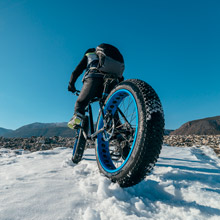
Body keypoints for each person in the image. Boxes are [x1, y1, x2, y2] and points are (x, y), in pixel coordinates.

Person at [67, 43, 125, 129]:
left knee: (81, 103)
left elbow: (76, 71)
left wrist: (71, 85)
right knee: (111, 107)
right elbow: (121, 78)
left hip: (94, 78)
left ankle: (77, 117)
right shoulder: (108, 59)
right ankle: (118, 131)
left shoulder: (89, 54)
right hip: (112, 81)